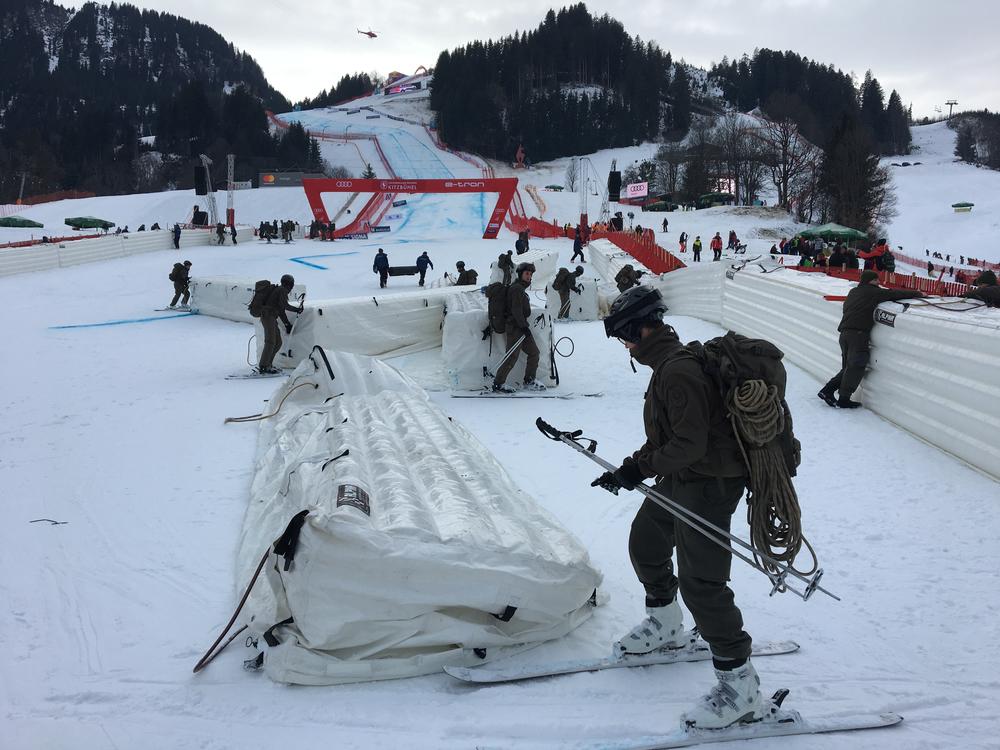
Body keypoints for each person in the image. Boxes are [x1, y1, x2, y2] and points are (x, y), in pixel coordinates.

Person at [592, 286, 760, 730]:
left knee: (702, 584)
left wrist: (638, 470)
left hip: (710, 484)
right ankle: (665, 623)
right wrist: (630, 468)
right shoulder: (666, 366)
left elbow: (688, 444)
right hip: (685, 475)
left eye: (624, 336)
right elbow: (669, 439)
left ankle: (740, 686)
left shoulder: (677, 371)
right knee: (646, 541)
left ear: (642, 329)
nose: (624, 345)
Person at [818, 270, 925, 408]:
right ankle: (843, 398)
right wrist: (918, 294)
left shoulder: (853, 292)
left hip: (844, 334)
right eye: (876, 280)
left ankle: (827, 391)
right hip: (858, 334)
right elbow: (895, 294)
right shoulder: (872, 292)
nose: (879, 283)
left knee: (848, 367)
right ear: (870, 281)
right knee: (856, 365)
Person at [492, 263, 544, 393]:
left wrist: (524, 327)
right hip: (515, 328)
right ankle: (498, 383)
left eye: (531, 274)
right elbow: (516, 310)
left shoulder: (520, 288)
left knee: (534, 353)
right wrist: (523, 327)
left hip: (521, 327)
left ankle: (529, 380)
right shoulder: (516, 289)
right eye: (527, 273)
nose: (529, 276)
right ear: (520, 274)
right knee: (512, 356)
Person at [258, 274, 304, 375]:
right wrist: (297, 309)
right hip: (267, 316)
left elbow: (281, 311)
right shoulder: (282, 290)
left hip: (271, 318)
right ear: (290, 284)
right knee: (270, 341)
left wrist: (287, 324)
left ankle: (268, 364)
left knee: (278, 342)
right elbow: (284, 305)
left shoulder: (280, 290)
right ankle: (263, 366)